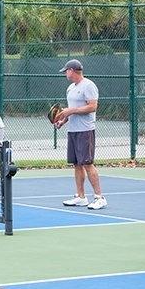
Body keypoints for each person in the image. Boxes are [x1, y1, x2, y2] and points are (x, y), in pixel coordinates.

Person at [54, 59, 106, 210]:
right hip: (73, 131)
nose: (65, 73)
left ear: (72, 71)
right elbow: (71, 110)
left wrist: (71, 111)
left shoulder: (88, 86)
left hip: (85, 131)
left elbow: (93, 107)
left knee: (87, 164)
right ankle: (81, 197)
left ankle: (99, 197)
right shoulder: (70, 88)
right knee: (77, 164)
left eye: (66, 71)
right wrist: (62, 121)